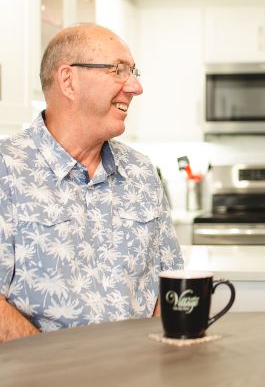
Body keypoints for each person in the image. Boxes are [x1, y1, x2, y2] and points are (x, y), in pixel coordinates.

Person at [0, 24, 184, 342]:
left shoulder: (141, 171)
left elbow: (170, 284)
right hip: (39, 386)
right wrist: (56, 368)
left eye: (133, 72)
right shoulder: (7, 170)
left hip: (137, 379)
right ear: (69, 81)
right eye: (118, 71)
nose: (136, 87)